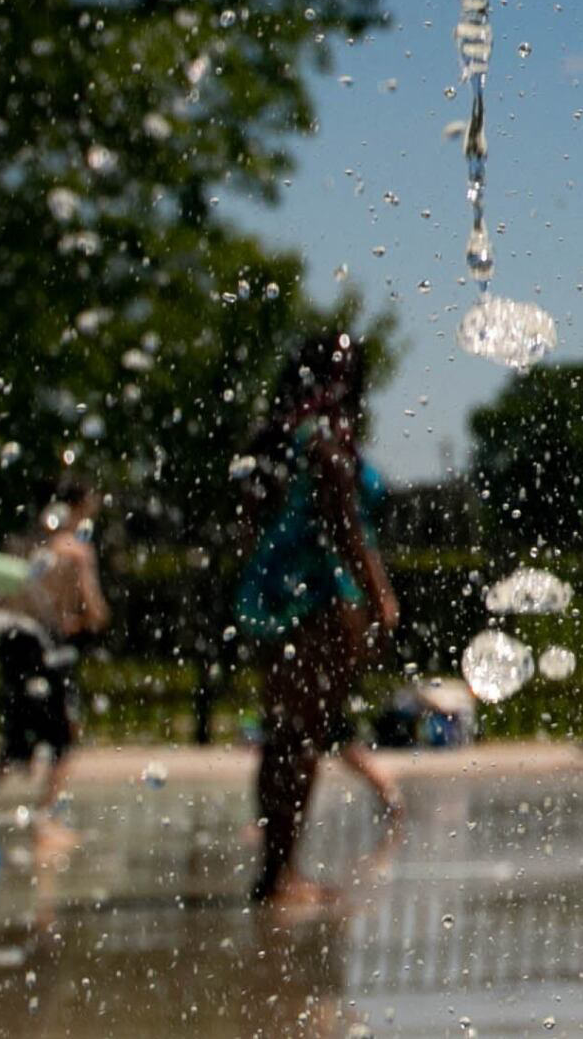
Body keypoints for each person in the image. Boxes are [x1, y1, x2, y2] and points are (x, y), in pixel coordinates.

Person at [233, 331, 403, 907]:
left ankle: (273, 871)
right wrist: (378, 593)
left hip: (272, 599)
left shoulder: (278, 437)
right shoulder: (327, 439)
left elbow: (250, 521)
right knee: (301, 740)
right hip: (321, 600)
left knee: (281, 735)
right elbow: (344, 522)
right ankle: (282, 876)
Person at [0, 480, 110, 841]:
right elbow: (96, 614)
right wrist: (74, 617)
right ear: (77, 510)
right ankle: (47, 820)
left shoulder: (15, 547)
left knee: (17, 736)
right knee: (64, 735)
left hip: (14, 648)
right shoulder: (76, 553)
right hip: (50, 649)